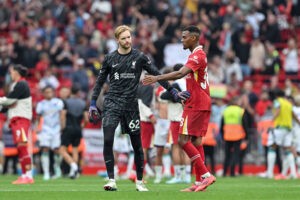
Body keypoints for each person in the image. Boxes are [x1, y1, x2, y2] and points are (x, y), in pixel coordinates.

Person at [88, 25, 189, 192]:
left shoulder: (140, 57)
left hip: (131, 105)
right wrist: (93, 103)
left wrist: (172, 91)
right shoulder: (109, 58)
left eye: (129, 37)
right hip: (112, 103)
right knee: (107, 140)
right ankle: (111, 180)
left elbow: (157, 74)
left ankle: (140, 182)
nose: (127, 40)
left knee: (137, 145)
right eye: (124, 38)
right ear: (117, 40)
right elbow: (99, 82)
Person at [143, 25, 216, 192]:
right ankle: (199, 183)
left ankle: (206, 175)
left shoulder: (197, 56)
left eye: (184, 37)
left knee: (182, 140)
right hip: (200, 101)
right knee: (196, 141)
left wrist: (157, 77)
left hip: (196, 104)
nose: (181, 40)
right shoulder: (197, 55)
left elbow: (179, 73)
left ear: (193, 38)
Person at [0, 64, 34, 184]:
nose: (10, 74)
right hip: (16, 120)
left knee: (22, 146)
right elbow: (7, 105)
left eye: (11, 72)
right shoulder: (17, 85)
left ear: (16, 72)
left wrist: (7, 103)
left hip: (21, 119)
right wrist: (6, 104)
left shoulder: (22, 83)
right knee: (20, 148)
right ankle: (24, 174)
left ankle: (28, 175)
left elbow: (9, 100)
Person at [267, 89, 300, 179]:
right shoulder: (289, 104)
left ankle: (269, 173)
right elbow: (294, 116)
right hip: (288, 129)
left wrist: (271, 121)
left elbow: (278, 111)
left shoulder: (278, 101)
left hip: (279, 128)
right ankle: (293, 173)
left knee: (272, 147)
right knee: (287, 149)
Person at [35, 86, 64, 180]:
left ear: (53, 92)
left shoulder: (58, 102)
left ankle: (57, 168)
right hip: (45, 129)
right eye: (46, 92)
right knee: (45, 149)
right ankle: (46, 173)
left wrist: (62, 127)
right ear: (43, 94)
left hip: (56, 129)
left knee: (56, 150)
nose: (49, 94)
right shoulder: (41, 104)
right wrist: (36, 128)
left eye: (50, 92)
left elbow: (62, 115)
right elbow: (38, 117)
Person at [60, 85, 88, 179]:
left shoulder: (66, 102)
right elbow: (87, 119)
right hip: (78, 129)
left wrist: (62, 127)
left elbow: (63, 115)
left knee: (62, 150)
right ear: (78, 92)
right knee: (75, 150)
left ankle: (73, 166)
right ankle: (74, 173)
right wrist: (82, 126)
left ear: (70, 92)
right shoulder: (82, 103)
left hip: (68, 128)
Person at [221, 96, 250, 177]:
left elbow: (222, 125)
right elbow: (245, 125)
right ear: (237, 102)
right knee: (235, 154)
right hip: (237, 136)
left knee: (227, 155)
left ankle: (224, 172)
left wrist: (223, 135)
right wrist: (247, 137)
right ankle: (232, 172)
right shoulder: (241, 111)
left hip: (227, 136)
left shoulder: (225, 110)